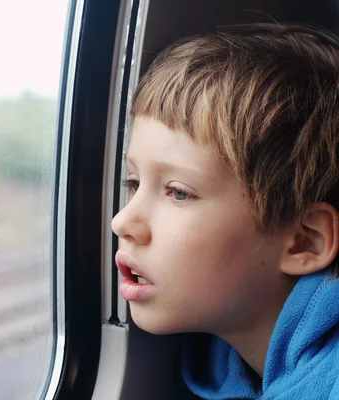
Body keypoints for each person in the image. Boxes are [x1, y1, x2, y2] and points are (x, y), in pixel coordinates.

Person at [112, 23, 339, 399]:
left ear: (304, 242)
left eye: (178, 193)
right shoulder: (217, 362)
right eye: (134, 183)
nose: (123, 221)